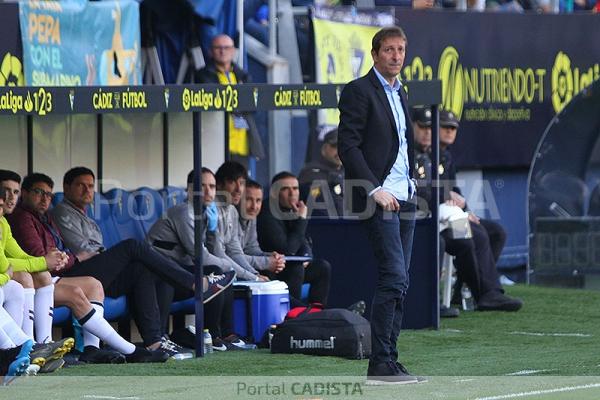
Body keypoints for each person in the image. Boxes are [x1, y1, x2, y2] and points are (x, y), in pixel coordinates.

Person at [50, 167, 235, 358]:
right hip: (75, 276)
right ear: (66, 187)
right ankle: (195, 283)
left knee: (143, 268)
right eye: (81, 185)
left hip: (97, 274)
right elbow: (83, 249)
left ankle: (155, 342)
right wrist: (108, 255)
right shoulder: (62, 212)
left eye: (90, 186)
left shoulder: (87, 217)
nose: (87, 190)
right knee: (132, 246)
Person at [8, 172, 187, 363]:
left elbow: (56, 254)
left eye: (48, 194)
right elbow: (43, 256)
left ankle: (98, 348)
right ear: (25, 194)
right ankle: (131, 349)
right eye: (38, 192)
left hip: (60, 271)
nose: (45, 198)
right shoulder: (28, 217)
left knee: (134, 273)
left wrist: (64, 258)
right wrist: (71, 259)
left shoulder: (46, 218)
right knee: (132, 247)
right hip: (51, 275)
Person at [337, 26, 422, 384]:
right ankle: (380, 363)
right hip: (379, 198)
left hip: (405, 195)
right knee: (393, 277)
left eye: (401, 49)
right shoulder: (359, 91)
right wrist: (374, 189)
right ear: (374, 54)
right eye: (389, 50)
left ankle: (391, 359)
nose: (396, 56)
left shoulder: (402, 92)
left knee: (400, 283)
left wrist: (413, 185)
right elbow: (349, 147)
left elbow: (402, 145)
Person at [147, 168, 245, 351]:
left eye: (212, 186)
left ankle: (224, 333)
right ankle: (210, 334)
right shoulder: (184, 211)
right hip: (160, 272)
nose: (208, 192)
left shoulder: (205, 212)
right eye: (202, 186)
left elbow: (215, 251)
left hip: (180, 270)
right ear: (190, 190)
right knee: (217, 271)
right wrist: (231, 269)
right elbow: (200, 256)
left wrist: (213, 231)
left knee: (220, 272)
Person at [437, 111, 521, 311]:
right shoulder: (424, 155)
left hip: (454, 215)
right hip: (440, 220)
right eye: (445, 127)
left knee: (496, 233)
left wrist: (466, 210)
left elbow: (453, 190)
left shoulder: (446, 156)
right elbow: (427, 191)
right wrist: (458, 209)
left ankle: (463, 285)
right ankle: (485, 293)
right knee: (477, 235)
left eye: (453, 128)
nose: (450, 131)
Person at [257, 171, 331, 308]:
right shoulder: (267, 212)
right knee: (296, 268)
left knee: (322, 267)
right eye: (285, 189)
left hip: (288, 265)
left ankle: (316, 313)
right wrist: (302, 219)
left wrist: (305, 257)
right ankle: (294, 317)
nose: (292, 193)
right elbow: (287, 250)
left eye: (295, 188)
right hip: (270, 268)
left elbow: (304, 242)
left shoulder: (291, 209)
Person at [0, 170, 55, 344]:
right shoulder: (20, 218)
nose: (10, 198)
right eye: (5, 191)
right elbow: (4, 264)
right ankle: (25, 346)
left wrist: (49, 261)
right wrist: (43, 261)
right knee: (23, 278)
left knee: (39, 275)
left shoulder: (3, 222)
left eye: (15, 192)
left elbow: (20, 256)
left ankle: (43, 343)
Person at [195, 34, 265, 165]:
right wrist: (238, 97)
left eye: (227, 48)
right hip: (217, 142)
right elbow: (214, 102)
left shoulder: (243, 75)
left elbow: (253, 106)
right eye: (218, 48)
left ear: (233, 51)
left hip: (241, 143)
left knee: (241, 182)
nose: (222, 51)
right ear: (211, 51)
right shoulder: (204, 75)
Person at [214, 161, 283, 279]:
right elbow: (220, 254)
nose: (238, 189)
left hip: (229, 269)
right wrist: (254, 277)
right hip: (207, 272)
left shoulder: (231, 211)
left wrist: (256, 273)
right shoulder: (211, 210)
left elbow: (236, 252)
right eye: (231, 182)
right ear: (219, 185)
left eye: (241, 183)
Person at [298, 129, 345, 217]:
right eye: (335, 146)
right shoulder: (310, 173)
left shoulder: (348, 171)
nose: (340, 152)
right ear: (324, 148)